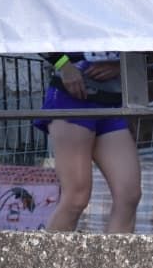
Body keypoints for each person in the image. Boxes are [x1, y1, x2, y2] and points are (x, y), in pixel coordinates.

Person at [33, 52, 141, 233]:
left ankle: (115, 260)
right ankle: (48, 260)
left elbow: (151, 45)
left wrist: (121, 65)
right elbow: (33, 28)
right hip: (72, 99)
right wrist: (64, 65)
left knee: (129, 196)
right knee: (76, 197)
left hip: (112, 104)